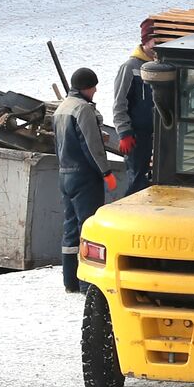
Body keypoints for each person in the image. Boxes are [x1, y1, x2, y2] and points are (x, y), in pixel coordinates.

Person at [53, 68, 115, 293]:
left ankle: (70, 280)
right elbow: (92, 146)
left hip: (64, 175)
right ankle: (87, 282)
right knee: (89, 228)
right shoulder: (82, 110)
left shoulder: (61, 108)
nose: (96, 90)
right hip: (84, 177)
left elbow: (58, 145)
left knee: (70, 228)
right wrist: (106, 172)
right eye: (93, 86)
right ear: (85, 87)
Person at [111, 19, 159, 198]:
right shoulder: (129, 68)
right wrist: (124, 133)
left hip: (155, 134)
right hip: (137, 136)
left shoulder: (160, 65)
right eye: (155, 43)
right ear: (145, 42)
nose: (157, 47)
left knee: (150, 179)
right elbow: (119, 103)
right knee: (137, 178)